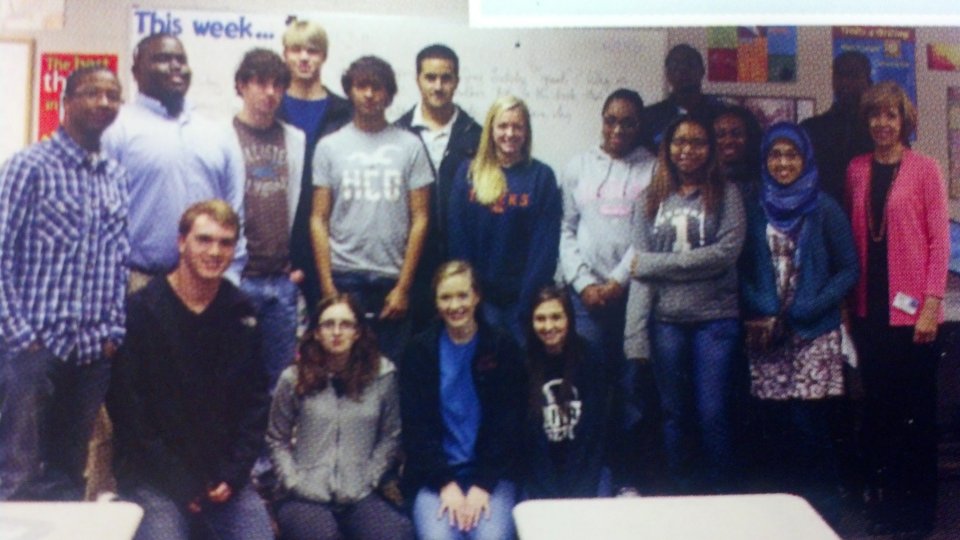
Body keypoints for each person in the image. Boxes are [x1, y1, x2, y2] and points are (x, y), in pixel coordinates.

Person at [107, 200, 273, 540]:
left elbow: (255, 406)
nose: (215, 251)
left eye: (225, 242)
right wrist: (181, 484)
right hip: (154, 480)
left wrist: (234, 474)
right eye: (204, 239)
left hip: (223, 482)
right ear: (181, 242)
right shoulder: (140, 312)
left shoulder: (243, 315)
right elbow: (130, 416)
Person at [0, 67, 128, 501]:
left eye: (113, 95)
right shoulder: (28, 166)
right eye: (93, 93)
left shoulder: (115, 174)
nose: (104, 103)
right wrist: (20, 334)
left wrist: (113, 331)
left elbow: (117, 257)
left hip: (91, 352)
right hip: (33, 349)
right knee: (16, 469)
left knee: (70, 474)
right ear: (66, 101)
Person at [739, 122, 858, 522]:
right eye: (775, 155)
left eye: (792, 155)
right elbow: (740, 271)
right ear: (764, 160)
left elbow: (848, 269)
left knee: (809, 424)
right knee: (776, 426)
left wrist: (810, 306)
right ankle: (783, 514)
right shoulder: (754, 206)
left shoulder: (824, 207)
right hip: (768, 334)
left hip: (812, 333)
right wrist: (763, 305)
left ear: (805, 158)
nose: (783, 162)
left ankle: (823, 512)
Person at [846, 81, 950, 536]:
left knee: (916, 417)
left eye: (890, 115)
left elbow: (939, 242)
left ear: (904, 121)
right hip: (869, 312)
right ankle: (887, 511)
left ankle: (918, 516)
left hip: (914, 318)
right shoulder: (856, 169)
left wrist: (931, 303)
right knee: (880, 414)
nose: (882, 123)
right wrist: (849, 311)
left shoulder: (926, 169)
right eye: (875, 115)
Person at [624, 115, 746, 493]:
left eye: (697, 142)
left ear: (710, 149)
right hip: (666, 321)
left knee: (712, 413)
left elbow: (724, 254)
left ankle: (721, 501)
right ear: (667, 148)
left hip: (716, 321)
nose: (687, 150)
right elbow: (640, 269)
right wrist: (635, 335)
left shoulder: (727, 194)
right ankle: (683, 496)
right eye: (679, 142)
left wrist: (660, 265)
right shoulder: (650, 198)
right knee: (674, 414)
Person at [557, 88, 657, 491]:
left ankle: (626, 479)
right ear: (601, 120)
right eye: (610, 119)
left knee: (631, 391)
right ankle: (590, 478)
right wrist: (583, 283)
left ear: (640, 125)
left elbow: (647, 236)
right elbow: (565, 229)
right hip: (585, 301)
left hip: (633, 296)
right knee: (587, 388)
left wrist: (618, 280)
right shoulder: (578, 166)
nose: (617, 129)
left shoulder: (652, 169)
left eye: (628, 121)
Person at [310, 55, 432, 364]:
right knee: (342, 369)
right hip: (344, 277)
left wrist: (404, 287)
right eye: (361, 86)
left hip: (392, 280)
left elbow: (421, 218)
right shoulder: (329, 146)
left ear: (389, 95)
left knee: (389, 374)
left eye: (377, 88)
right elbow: (318, 219)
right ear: (349, 91)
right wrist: (328, 287)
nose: (369, 95)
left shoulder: (410, 146)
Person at [102, 32, 246, 287]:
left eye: (181, 59)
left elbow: (235, 211)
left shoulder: (217, 132)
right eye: (163, 58)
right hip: (139, 281)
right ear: (136, 72)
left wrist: (230, 278)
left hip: (208, 284)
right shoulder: (115, 128)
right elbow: (99, 215)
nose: (176, 66)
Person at [267, 294, 413, 540]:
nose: (337, 332)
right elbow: (276, 439)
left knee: (395, 533)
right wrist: (293, 480)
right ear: (316, 332)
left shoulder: (382, 375)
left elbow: (390, 436)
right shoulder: (294, 378)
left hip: (359, 491)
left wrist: (370, 477)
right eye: (328, 324)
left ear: (357, 332)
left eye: (345, 324)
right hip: (306, 493)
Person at [401, 260, 526, 540]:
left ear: (476, 296)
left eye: (462, 295)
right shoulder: (419, 352)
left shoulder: (501, 347)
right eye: (446, 297)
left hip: (491, 476)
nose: (455, 305)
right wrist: (446, 484)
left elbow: (509, 425)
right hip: (436, 478)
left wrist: (482, 485)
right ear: (435, 302)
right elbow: (416, 430)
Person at [447, 95, 562, 346]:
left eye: (517, 126)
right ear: (490, 129)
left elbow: (545, 248)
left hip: (523, 303)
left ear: (526, 131)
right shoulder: (468, 173)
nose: (509, 133)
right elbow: (458, 239)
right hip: (477, 300)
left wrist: (526, 303)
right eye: (502, 126)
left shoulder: (541, 177)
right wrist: (472, 298)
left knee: (518, 374)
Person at [229, 48, 305, 390]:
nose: (270, 93)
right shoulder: (222, 135)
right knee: (233, 376)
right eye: (261, 83)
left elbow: (302, 206)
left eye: (278, 85)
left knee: (281, 380)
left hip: (281, 278)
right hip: (238, 276)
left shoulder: (296, 139)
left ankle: (273, 445)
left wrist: (297, 267)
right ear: (242, 85)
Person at [395, 44, 482, 332]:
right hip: (411, 265)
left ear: (457, 81)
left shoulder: (478, 136)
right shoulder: (397, 134)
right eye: (430, 78)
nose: (438, 86)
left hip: (463, 262)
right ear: (417, 79)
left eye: (446, 78)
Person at [277, 18, 353, 316]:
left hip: (332, 236)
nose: (304, 58)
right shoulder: (273, 108)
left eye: (312, 50)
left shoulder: (344, 111)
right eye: (296, 50)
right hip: (282, 237)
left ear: (324, 55)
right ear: (284, 54)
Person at [522, 286, 608, 499]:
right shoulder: (521, 364)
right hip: (540, 477)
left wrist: (576, 492)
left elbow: (594, 436)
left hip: (586, 472)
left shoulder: (591, 359)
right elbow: (527, 444)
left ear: (569, 319)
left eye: (556, 317)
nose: (548, 326)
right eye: (540, 319)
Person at [800, 50, 873, 207]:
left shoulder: (881, 132)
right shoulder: (811, 129)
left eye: (853, 75)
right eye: (840, 75)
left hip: (872, 222)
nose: (846, 82)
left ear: (868, 81)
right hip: (824, 219)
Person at [641, 44, 724, 152]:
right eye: (676, 67)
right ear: (668, 74)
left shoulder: (721, 114)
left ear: (702, 71)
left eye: (690, 65)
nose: (683, 71)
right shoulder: (649, 117)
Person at [713, 105, 763, 202]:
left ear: (750, 137)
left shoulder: (762, 187)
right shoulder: (701, 182)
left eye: (737, 134)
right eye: (720, 135)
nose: (728, 141)